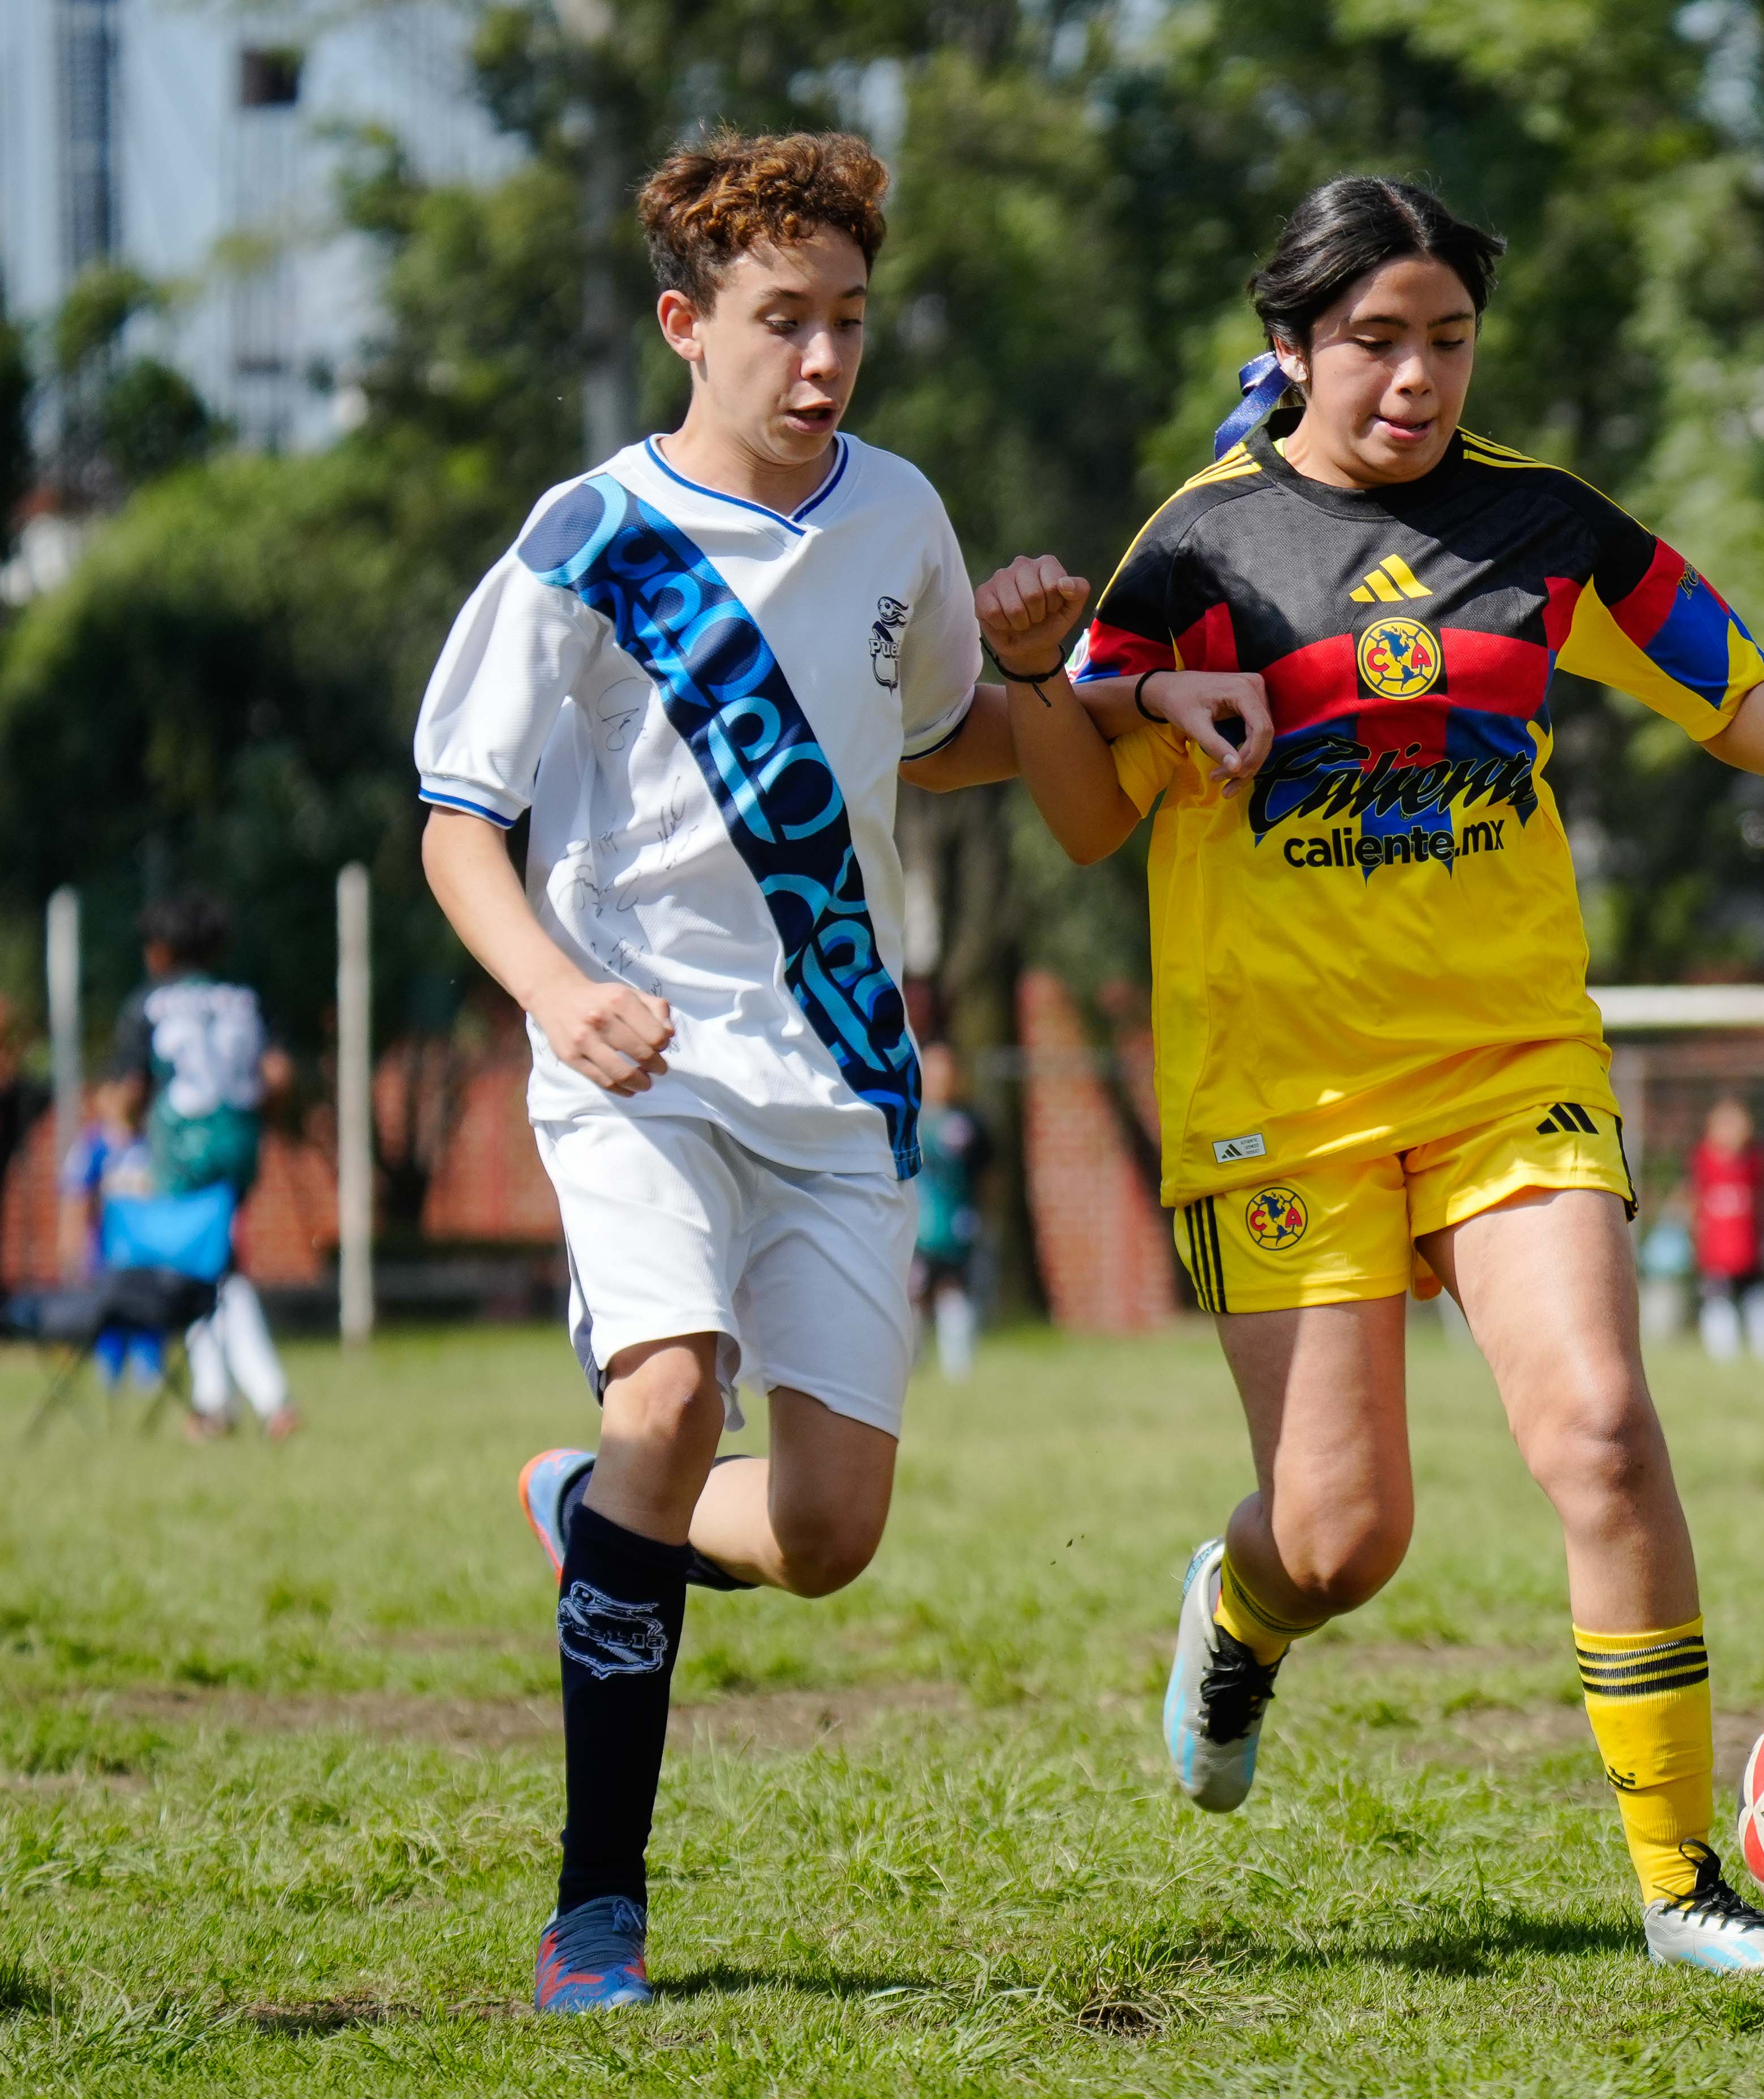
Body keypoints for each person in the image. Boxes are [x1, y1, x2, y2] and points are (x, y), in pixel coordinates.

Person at [982, 174, 1764, 1976]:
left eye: (1445, 340)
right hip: (1284, 1083)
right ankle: (1241, 1606)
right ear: (1288, 350)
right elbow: (1086, 814)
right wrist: (1045, 676)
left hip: (1510, 1058)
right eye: (1372, 342)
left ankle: (1675, 1884)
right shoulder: (1190, 551)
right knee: (1345, 1537)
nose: (1413, 377)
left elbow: (1718, 675)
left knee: (1597, 1426)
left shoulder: (1543, 522)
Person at [413, 129, 1085, 2014]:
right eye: (781, 321)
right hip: (637, 1059)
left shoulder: (900, 514)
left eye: (849, 321)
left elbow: (940, 737)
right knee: (674, 1391)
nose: (822, 361)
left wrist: (1041, 674)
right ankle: (595, 1912)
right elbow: (459, 816)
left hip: (842, 1071)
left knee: (823, 1531)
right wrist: (555, 984)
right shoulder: (586, 538)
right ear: (684, 325)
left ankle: (591, 1508)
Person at [113, 895, 294, 1439]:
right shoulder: (246, 998)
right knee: (218, 1263)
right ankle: (241, 1401)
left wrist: (128, 1131)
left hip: (181, 1143)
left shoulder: (148, 1002)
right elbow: (279, 1075)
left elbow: (127, 1093)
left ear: (162, 950)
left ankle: (238, 1401)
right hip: (237, 1143)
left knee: (195, 1268)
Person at [58, 1072, 165, 1396]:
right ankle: (111, 1378)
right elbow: (75, 1197)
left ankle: (150, 1376)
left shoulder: (153, 1144)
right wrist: (71, 1246)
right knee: (111, 1319)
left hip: (149, 1253)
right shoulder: (92, 1146)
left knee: (150, 1316)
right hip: (107, 1253)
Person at [909, 1040, 992, 1378]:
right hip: (913, 1223)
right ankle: (909, 1364)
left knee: (954, 1290)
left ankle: (958, 1369)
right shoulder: (907, 1119)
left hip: (954, 1225)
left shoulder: (969, 1123)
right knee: (910, 1291)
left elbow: (989, 1174)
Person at [1689, 1096, 1764, 1362]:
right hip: (1717, 1253)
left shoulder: (1756, 1161)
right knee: (1718, 1303)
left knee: (1760, 1301)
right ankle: (1723, 1356)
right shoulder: (1703, 1160)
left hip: (1750, 1251)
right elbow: (1695, 1202)